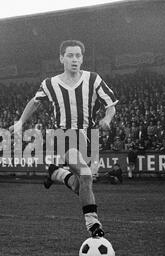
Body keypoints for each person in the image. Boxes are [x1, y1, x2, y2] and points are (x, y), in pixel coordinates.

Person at [10, 40, 118, 237]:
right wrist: (20, 122)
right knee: (85, 174)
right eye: (70, 55)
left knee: (82, 185)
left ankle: (56, 174)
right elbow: (35, 103)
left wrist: (107, 118)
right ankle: (93, 224)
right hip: (63, 135)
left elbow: (111, 105)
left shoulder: (93, 79)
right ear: (61, 58)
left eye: (78, 55)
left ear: (82, 58)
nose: (75, 59)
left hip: (90, 137)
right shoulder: (50, 83)